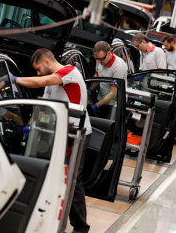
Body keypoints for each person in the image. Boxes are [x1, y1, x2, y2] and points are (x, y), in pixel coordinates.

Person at [13, 48, 92, 233]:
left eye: (39, 69)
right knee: (55, 176)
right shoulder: (51, 82)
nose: (38, 73)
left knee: (72, 178)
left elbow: (42, 81)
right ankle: (53, 220)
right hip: (58, 133)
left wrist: (15, 80)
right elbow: (44, 106)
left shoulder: (68, 71)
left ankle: (81, 227)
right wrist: (29, 126)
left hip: (77, 134)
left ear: (47, 62)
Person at [88, 41, 128, 119]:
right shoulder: (100, 60)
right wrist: (90, 89)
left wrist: (96, 105)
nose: (99, 61)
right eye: (97, 59)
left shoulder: (119, 67)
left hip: (113, 104)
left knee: (107, 127)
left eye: (101, 59)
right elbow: (97, 76)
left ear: (109, 53)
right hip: (100, 99)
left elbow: (113, 93)